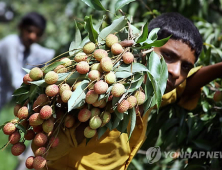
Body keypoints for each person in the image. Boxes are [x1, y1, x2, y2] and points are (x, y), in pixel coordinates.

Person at [31, 12, 222, 170]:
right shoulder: (94, 97)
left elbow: (185, 87)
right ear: (143, 48)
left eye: (185, 67)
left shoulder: (151, 94)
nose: (175, 72)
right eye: (168, 56)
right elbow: (47, 153)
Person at [0, 12, 55, 111]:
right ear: (21, 27)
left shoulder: (30, 49)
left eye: (38, 34)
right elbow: (16, 80)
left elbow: (48, 54)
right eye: (29, 31)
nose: (32, 37)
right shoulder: (10, 43)